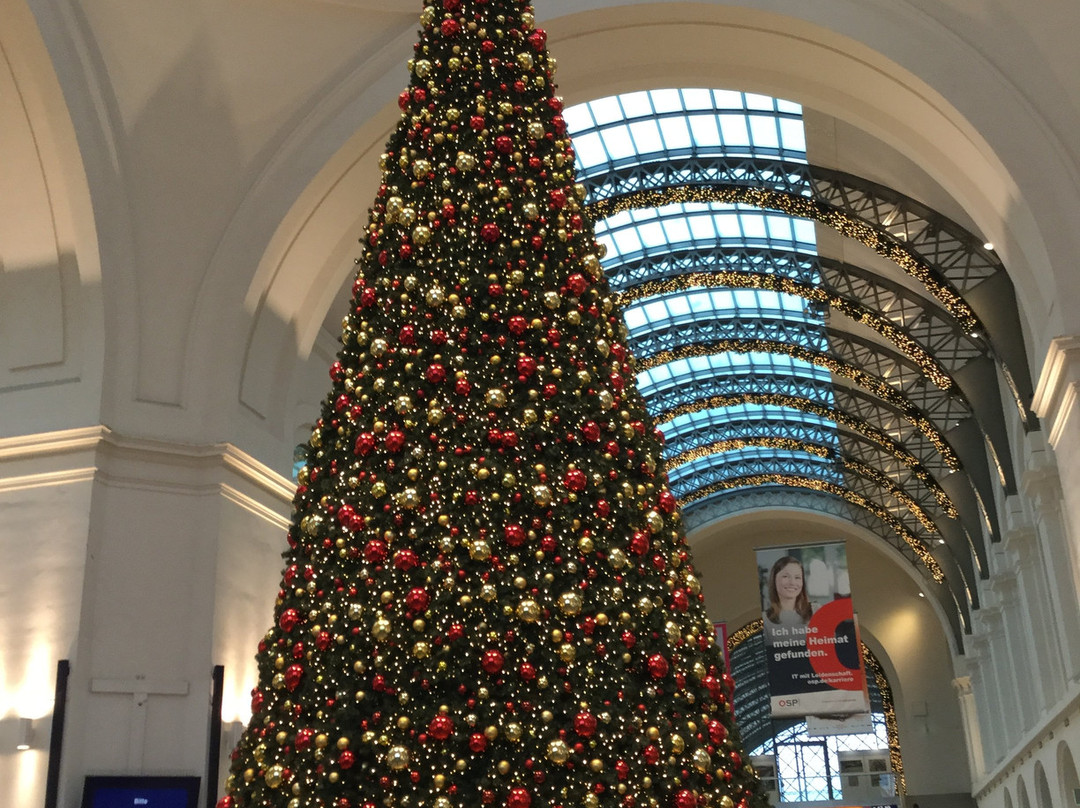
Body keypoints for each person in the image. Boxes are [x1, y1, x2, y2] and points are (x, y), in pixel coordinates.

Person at [764, 555, 813, 629]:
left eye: (797, 577)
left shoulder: (816, 611)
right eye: (785, 576)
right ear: (774, 580)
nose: (792, 582)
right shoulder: (764, 619)